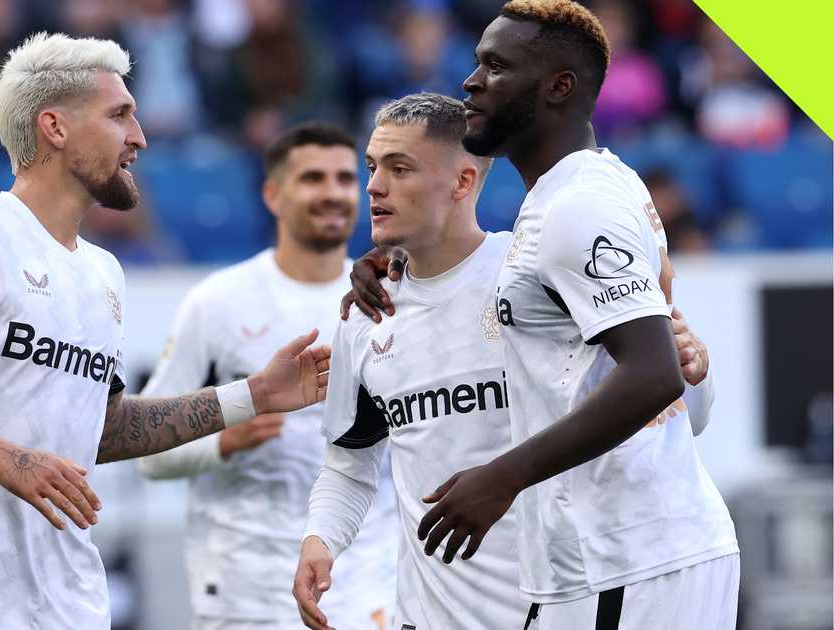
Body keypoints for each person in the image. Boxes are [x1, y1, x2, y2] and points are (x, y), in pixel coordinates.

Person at [0, 33, 331, 630]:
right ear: (55, 128)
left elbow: (102, 428)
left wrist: (253, 396)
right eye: (119, 115)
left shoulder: (103, 273)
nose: (140, 137)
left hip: (63, 602)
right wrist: (4, 456)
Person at [294, 93, 716, 630]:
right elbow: (349, 464)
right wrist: (320, 540)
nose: (374, 186)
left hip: (559, 605)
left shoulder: (537, 279)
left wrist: (696, 373)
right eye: (373, 166)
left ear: (463, 182)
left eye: (399, 169)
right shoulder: (367, 314)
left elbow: (682, 420)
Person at [385, 3, 737, 629]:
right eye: (476, 63)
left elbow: (654, 374)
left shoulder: (578, 207)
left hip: (625, 557)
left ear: (558, 86)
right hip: (618, 558)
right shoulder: (590, 190)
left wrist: (503, 477)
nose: (471, 81)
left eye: (496, 66)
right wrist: (403, 260)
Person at [137, 122, 397, 630]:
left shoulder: (389, 300)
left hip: (366, 573)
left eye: (346, 179)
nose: (333, 193)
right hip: (245, 583)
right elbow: (145, 451)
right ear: (272, 194)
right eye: (313, 178)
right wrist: (220, 442)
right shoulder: (218, 302)